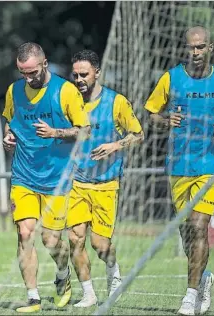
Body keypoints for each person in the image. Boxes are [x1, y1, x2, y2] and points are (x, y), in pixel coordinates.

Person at [2, 42, 91, 313]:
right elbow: (10, 120)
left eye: (32, 72)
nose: (27, 78)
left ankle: (63, 273)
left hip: (57, 180)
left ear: (44, 63)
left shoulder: (65, 91)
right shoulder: (14, 91)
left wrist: (55, 133)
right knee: (24, 233)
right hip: (23, 175)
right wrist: (9, 135)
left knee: (51, 240)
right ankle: (33, 298)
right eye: (22, 73)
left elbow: (84, 131)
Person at [144, 26, 214, 315]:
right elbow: (151, 114)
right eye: (191, 48)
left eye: (201, 47)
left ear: (210, 48)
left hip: (211, 165)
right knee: (188, 234)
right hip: (178, 166)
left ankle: (189, 296)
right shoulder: (171, 78)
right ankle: (203, 279)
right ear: (184, 49)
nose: (196, 52)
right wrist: (166, 120)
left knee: (200, 225)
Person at [66, 49, 144, 308]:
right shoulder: (68, 100)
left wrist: (115, 146)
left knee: (100, 244)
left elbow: (138, 134)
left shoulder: (116, 102)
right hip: (76, 183)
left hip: (106, 185)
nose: (79, 79)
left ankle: (113, 271)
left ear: (97, 73)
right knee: (75, 239)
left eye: (84, 74)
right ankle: (88, 293)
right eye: (75, 74)